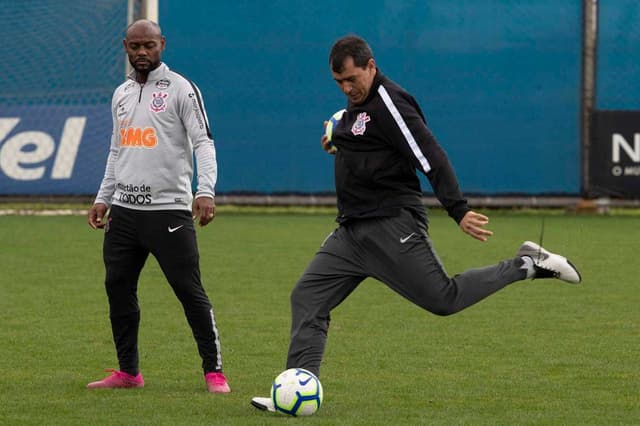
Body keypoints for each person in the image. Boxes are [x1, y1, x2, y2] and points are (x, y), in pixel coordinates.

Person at [251, 34, 580, 411]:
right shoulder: (356, 106)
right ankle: (295, 392)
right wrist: (337, 137)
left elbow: (430, 156)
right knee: (307, 296)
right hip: (352, 233)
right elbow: (356, 133)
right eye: (338, 82)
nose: (346, 88)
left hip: (392, 225)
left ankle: (528, 265)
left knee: (444, 298)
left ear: (371, 66)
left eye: (352, 79)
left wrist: (458, 209)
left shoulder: (391, 101)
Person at [86, 19, 230, 393]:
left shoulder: (182, 89)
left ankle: (214, 371)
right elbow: (117, 151)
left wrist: (206, 190)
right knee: (117, 288)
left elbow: (204, 142)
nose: (142, 53)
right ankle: (128, 372)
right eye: (135, 46)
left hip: (168, 212)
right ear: (125, 47)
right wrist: (104, 197)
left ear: (162, 44)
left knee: (189, 290)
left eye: (149, 45)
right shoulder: (120, 93)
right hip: (125, 213)